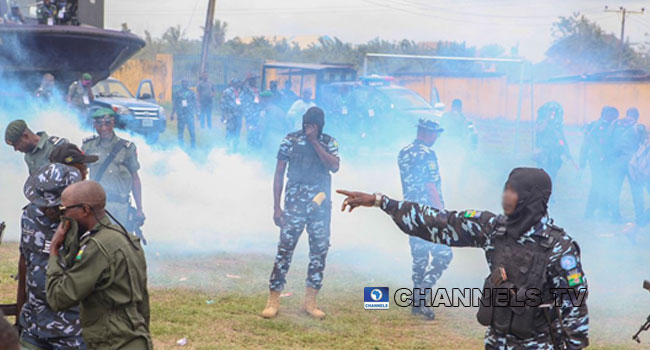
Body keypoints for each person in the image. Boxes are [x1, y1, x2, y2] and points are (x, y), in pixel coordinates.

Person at [338, 167, 589, 350]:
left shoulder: (558, 247)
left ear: (532, 197)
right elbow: (437, 222)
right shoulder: (493, 229)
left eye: (513, 191)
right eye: (506, 188)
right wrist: (382, 202)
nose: (506, 196)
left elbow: (575, 305)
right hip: (496, 341)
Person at [46, 180, 152, 350]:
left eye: (64, 210)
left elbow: (58, 297)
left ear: (85, 210)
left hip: (113, 343)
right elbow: (142, 303)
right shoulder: (126, 238)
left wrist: (54, 252)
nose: (62, 217)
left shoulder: (96, 247)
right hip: (136, 339)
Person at [262, 107, 340, 319]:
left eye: (312, 125)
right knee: (285, 250)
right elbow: (279, 173)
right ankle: (273, 299)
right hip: (294, 204)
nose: (308, 128)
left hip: (319, 206)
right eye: (306, 124)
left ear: (320, 126)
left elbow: (334, 166)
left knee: (318, 252)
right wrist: (276, 207)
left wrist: (315, 142)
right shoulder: (290, 140)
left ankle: (310, 301)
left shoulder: (329, 142)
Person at [18, 144, 96, 350]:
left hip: (72, 331)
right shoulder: (29, 215)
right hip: (33, 327)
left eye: (53, 205)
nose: (46, 209)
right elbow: (25, 262)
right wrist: (20, 315)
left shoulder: (88, 222)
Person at [398, 119, 453, 320]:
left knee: (419, 258)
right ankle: (421, 295)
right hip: (428, 213)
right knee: (444, 254)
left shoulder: (403, 152)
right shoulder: (427, 154)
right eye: (434, 133)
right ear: (426, 132)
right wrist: (441, 212)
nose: (436, 137)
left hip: (410, 211)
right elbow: (430, 186)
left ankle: (416, 302)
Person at [81, 108, 145, 239]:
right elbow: (80, 173)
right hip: (98, 206)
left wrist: (139, 209)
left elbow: (135, 179)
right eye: (99, 124)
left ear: (113, 123)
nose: (104, 128)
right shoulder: (88, 146)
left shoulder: (127, 148)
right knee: (99, 241)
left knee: (122, 242)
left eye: (107, 123)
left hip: (121, 206)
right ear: (94, 125)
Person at [608, 107, 647, 223]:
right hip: (632, 163)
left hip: (621, 162)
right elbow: (644, 142)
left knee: (618, 189)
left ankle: (616, 216)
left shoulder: (618, 125)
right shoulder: (637, 127)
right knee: (636, 190)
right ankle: (639, 217)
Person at [579, 106, 619, 219]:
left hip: (609, 161)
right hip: (597, 160)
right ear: (605, 114)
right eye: (612, 115)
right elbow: (586, 143)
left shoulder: (614, 126)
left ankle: (603, 211)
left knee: (606, 186)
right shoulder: (596, 126)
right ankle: (589, 212)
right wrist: (582, 160)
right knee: (597, 185)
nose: (614, 118)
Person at [533, 102, 573, 182]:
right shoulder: (542, 122)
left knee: (552, 176)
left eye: (554, 112)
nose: (553, 114)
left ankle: (550, 192)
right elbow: (539, 130)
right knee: (543, 176)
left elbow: (562, 140)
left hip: (555, 155)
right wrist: (547, 119)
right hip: (545, 154)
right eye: (551, 111)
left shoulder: (557, 125)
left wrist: (567, 152)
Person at [171, 79, 198, 148]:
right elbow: (175, 104)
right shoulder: (178, 93)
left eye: (186, 82)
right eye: (183, 83)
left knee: (192, 131)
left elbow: (195, 103)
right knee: (180, 132)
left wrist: (197, 112)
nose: (185, 84)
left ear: (188, 84)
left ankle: (193, 146)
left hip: (189, 115)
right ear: (181, 84)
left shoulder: (191, 93)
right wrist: (172, 114)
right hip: (181, 115)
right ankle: (181, 146)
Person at [220, 79, 244, 152]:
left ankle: (235, 147)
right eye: (236, 83)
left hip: (238, 115)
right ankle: (228, 146)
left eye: (238, 83)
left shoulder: (240, 92)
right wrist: (224, 115)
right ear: (233, 84)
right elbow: (223, 103)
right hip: (230, 115)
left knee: (237, 132)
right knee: (230, 131)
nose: (238, 85)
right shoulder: (227, 91)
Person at [241, 73, 262, 149]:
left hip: (257, 113)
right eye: (252, 80)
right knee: (250, 129)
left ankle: (255, 144)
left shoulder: (258, 89)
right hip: (250, 113)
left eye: (254, 80)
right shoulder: (247, 89)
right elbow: (241, 86)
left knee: (257, 129)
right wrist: (246, 79)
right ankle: (250, 145)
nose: (254, 81)